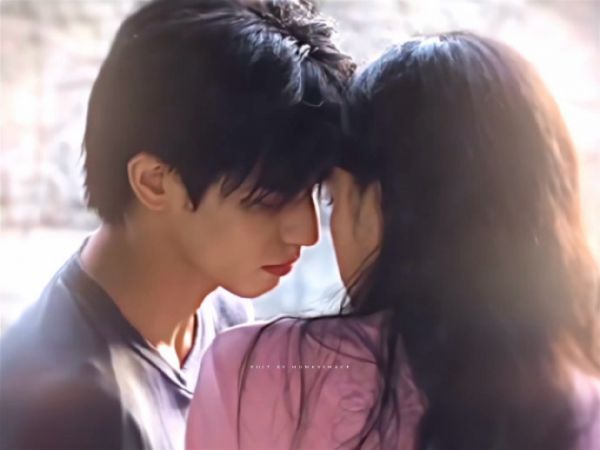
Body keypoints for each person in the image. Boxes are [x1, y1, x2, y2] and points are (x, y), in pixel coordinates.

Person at [186, 31, 600, 450]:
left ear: (374, 201)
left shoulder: (259, 370)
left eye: (331, 199)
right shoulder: (581, 401)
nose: (312, 234)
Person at [0, 0, 353, 448]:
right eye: (269, 200)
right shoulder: (72, 411)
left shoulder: (220, 308)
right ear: (154, 182)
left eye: (313, 191)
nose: (308, 233)